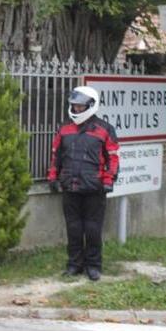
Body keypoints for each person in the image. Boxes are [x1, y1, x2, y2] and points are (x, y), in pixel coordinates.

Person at [47, 86, 119, 281]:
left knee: (93, 229)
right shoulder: (64, 129)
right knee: (74, 228)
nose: (77, 109)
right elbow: (56, 156)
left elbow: (113, 158)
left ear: (90, 105)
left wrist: (109, 180)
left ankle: (94, 266)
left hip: (94, 187)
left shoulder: (104, 129)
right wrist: (53, 177)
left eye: (80, 106)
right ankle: (74, 265)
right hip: (70, 186)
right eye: (74, 106)